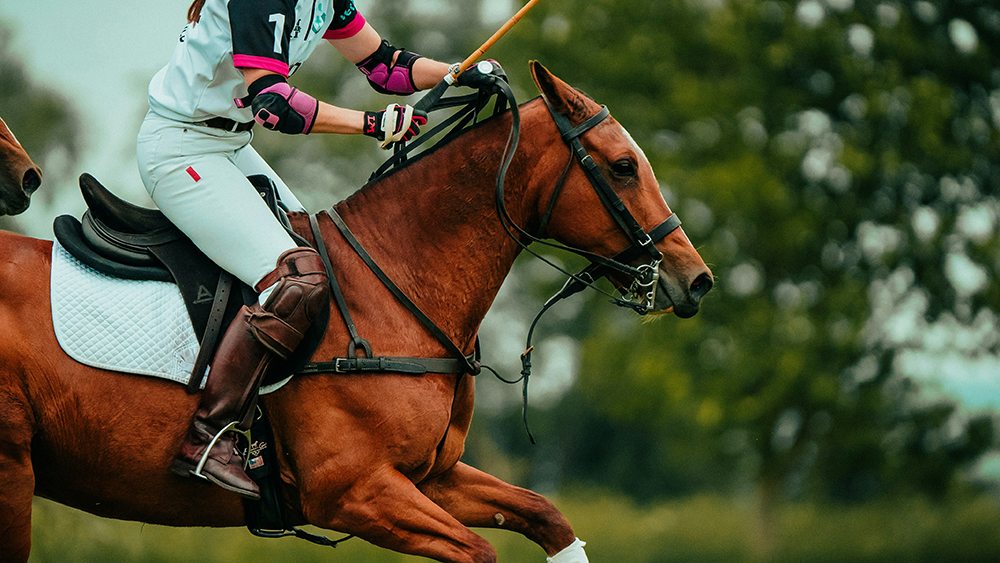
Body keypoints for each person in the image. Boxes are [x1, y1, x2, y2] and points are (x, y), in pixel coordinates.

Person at [137, 0, 503, 499]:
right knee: (297, 279)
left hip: (229, 147)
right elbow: (274, 104)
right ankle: (206, 436)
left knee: (326, 265)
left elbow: (385, 66)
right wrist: (370, 125)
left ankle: (280, 432)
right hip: (180, 150)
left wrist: (461, 72)